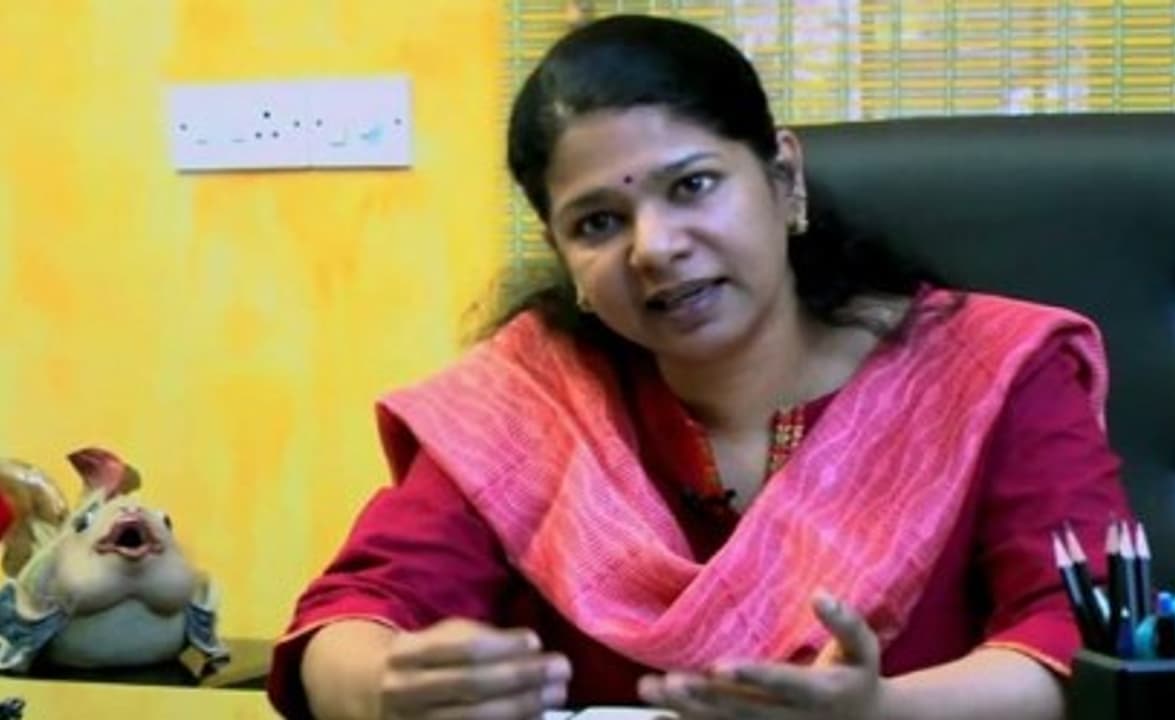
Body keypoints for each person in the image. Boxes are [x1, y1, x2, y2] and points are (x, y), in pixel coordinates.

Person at [267, 14, 1130, 720]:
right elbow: (351, 617)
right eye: (598, 223)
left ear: (784, 179)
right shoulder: (529, 403)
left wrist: (883, 712)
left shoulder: (989, 373)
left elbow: (1081, 642)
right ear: (563, 255)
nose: (655, 249)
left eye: (692, 186)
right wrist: (381, 689)